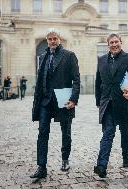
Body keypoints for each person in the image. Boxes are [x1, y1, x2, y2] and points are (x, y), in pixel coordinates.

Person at [31, 28, 80, 180]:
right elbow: (41, 81)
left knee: (65, 132)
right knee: (42, 132)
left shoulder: (69, 55)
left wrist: (73, 98)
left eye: (55, 38)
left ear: (60, 39)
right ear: (47, 40)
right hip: (46, 100)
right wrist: (37, 101)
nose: (52, 41)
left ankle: (65, 159)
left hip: (63, 98)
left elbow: (76, 80)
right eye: (50, 39)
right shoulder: (44, 56)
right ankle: (41, 166)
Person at [94, 33, 128, 178]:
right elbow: (99, 82)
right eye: (111, 42)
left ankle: (126, 158)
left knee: (125, 132)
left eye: (116, 42)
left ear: (121, 42)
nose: (114, 45)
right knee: (108, 133)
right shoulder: (101, 60)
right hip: (107, 103)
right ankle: (101, 166)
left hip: (124, 102)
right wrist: (99, 102)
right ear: (108, 44)